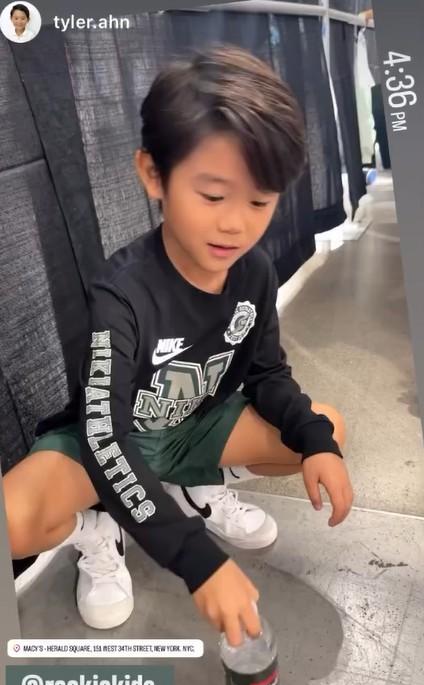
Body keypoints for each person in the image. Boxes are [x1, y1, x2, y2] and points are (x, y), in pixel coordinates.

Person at [5, 46, 353, 646]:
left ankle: (194, 489)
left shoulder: (254, 272)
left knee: (326, 429)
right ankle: (97, 530)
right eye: (213, 196)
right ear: (153, 175)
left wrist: (316, 442)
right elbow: (105, 434)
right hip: (111, 440)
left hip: (196, 427)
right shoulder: (121, 292)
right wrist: (197, 561)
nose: (235, 225)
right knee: (12, 520)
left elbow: (267, 373)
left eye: (260, 201)